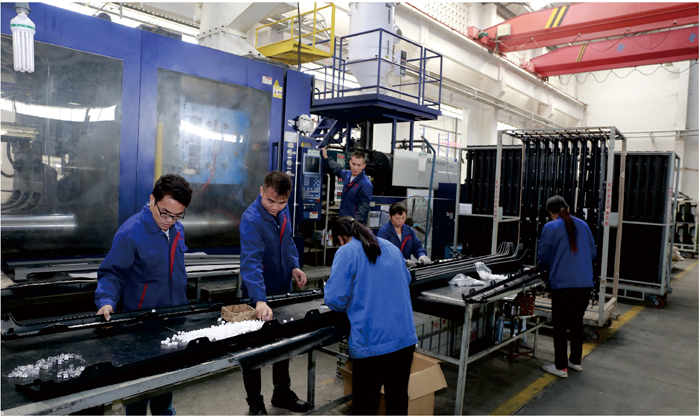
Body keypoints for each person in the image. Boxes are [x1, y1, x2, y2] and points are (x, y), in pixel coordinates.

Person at [95, 173, 193, 416]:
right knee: (138, 394)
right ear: (152, 200)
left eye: (177, 215)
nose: (169, 221)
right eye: (165, 213)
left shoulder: (177, 230)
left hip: (172, 321)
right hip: (140, 327)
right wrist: (106, 301)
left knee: (164, 389)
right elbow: (112, 273)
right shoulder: (131, 232)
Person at [324, 216, 418, 415]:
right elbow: (406, 279)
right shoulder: (391, 248)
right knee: (398, 400)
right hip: (404, 340)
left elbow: (335, 299)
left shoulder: (346, 252)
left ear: (340, 238)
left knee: (366, 406)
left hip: (372, 344)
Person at [239, 171, 310, 415]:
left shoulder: (282, 209)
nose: (275, 207)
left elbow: (288, 241)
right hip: (256, 294)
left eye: (282, 202)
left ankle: (281, 393)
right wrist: (259, 299)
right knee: (254, 350)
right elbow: (251, 263)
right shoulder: (251, 219)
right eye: (271, 201)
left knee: (283, 344)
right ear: (262, 191)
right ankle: (255, 402)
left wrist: (294, 266)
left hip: (281, 289)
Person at [537, 195, 597, 379]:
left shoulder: (551, 227)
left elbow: (544, 257)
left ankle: (560, 366)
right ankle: (575, 362)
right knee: (576, 323)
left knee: (560, 326)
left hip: (562, 284)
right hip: (584, 283)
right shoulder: (584, 225)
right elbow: (593, 253)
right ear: (568, 208)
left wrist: (545, 271)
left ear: (551, 213)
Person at [321, 148, 373, 224]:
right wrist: (326, 157)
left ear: (364, 166)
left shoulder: (366, 184)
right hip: (342, 219)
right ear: (350, 163)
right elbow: (337, 168)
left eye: (359, 165)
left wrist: (354, 224)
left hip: (353, 223)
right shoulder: (347, 175)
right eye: (354, 164)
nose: (355, 168)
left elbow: (363, 209)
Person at [377, 202, 432, 267]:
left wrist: (422, 255)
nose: (401, 221)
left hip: (407, 268)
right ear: (390, 216)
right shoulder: (383, 232)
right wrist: (402, 261)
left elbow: (417, 247)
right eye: (397, 218)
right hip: (391, 268)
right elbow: (383, 254)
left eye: (403, 218)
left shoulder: (409, 230)